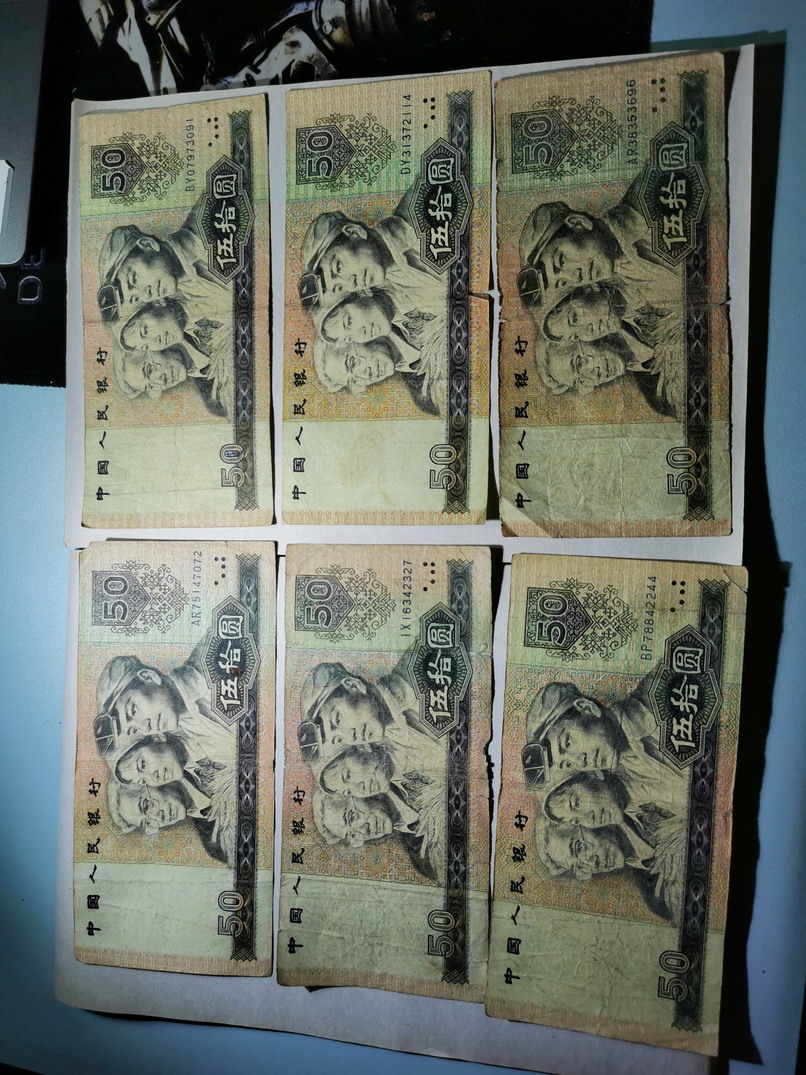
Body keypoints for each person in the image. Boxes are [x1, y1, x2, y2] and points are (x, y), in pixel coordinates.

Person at [516, 183, 680, 321]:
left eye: (561, 261)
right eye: (563, 282)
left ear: (578, 223)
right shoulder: (628, 285)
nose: (575, 278)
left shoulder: (652, 196)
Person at [94, 651, 237, 768]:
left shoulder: (212, 656)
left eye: (133, 711)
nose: (145, 727)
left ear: (149, 677)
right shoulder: (193, 735)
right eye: (134, 730)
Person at [298, 661, 443, 776]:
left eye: (338, 720)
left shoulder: (423, 670)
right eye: (339, 739)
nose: (350, 737)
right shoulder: (397, 743)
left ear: (354, 686)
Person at [298, 208, 441, 313]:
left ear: (354, 231)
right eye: (340, 287)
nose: (351, 284)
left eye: (338, 268)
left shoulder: (420, 213)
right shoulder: (396, 290)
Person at [97, 214, 228, 327]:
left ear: (148, 244)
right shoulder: (190, 300)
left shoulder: (210, 221)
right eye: (136, 297)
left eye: (134, 279)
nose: (146, 296)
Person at [312, 787, 442, 882]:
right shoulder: (426, 862)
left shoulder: (415, 778)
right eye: (352, 835)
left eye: (352, 817)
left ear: (358, 790)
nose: (363, 832)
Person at [108, 779, 231, 864]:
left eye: (146, 806)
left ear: (150, 780)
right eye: (147, 823)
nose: (158, 819)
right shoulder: (217, 845)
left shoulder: (206, 764)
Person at [313, 336, 443, 415]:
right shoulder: (427, 396)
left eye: (353, 363)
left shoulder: (410, 316)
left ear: (353, 337)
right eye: (355, 381)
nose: (366, 375)